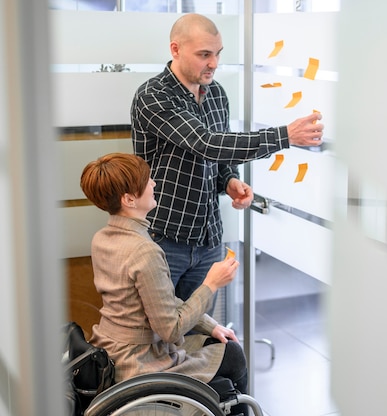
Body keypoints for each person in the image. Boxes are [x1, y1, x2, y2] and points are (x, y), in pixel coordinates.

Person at [130, 13, 324, 306]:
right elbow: (205, 144)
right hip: (163, 238)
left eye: (218, 54)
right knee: (160, 335)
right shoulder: (153, 96)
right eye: (204, 55)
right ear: (176, 49)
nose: (214, 63)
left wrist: (230, 180)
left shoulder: (216, 93)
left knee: (198, 330)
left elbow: (220, 156)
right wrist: (285, 136)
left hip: (208, 238)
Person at [81, 152, 250, 415]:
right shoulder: (144, 251)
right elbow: (171, 329)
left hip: (110, 348)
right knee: (233, 355)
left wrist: (210, 325)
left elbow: (160, 300)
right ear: (129, 199)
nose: (154, 184)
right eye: (148, 181)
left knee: (217, 342)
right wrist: (212, 284)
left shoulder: (102, 238)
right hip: (140, 362)